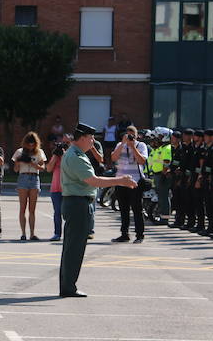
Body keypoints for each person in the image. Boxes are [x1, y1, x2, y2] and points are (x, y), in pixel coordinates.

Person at [59, 123, 136, 298]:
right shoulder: (76, 156)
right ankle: (68, 287)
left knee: (72, 247)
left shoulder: (76, 154)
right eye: (91, 138)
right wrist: (120, 180)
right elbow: (93, 181)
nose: (93, 141)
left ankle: (67, 285)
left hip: (77, 203)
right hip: (78, 204)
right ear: (83, 138)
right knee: (75, 248)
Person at [111, 125, 148, 243]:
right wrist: (122, 144)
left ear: (137, 135)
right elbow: (113, 158)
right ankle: (124, 234)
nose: (130, 136)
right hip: (121, 181)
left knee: (137, 209)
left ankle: (140, 235)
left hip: (135, 181)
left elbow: (142, 161)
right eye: (127, 134)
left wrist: (133, 147)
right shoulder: (119, 145)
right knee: (123, 209)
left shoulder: (141, 145)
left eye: (132, 134)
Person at [13, 132, 47, 241]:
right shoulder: (20, 152)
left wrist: (32, 163)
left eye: (33, 144)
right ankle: (23, 233)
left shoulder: (39, 152)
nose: (31, 146)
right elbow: (15, 170)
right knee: (22, 208)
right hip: (23, 177)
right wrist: (19, 161)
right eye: (29, 144)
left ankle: (32, 234)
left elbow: (42, 168)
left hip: (34, 177)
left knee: (32, 209)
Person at [46, 136, 69, 241]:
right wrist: (55, 155)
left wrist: (64, 154)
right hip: (56, 189)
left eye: (66, 143)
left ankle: (69, 234)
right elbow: (49, 168)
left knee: (69, 213)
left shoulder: (71, 156)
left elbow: (68, 167)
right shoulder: (56, 156)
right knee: (57, 212)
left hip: (68, 189)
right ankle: (57, 233)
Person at [150, 131, 173, 225]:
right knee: (161, 197)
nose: (158, 138)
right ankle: (162, 216)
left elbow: (166, 162)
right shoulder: (161, 148)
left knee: (163, 197)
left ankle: (165, 219)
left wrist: (164, 175)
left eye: (160, 136)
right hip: (157, 175)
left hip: (162, 175)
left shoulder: (167, 148)